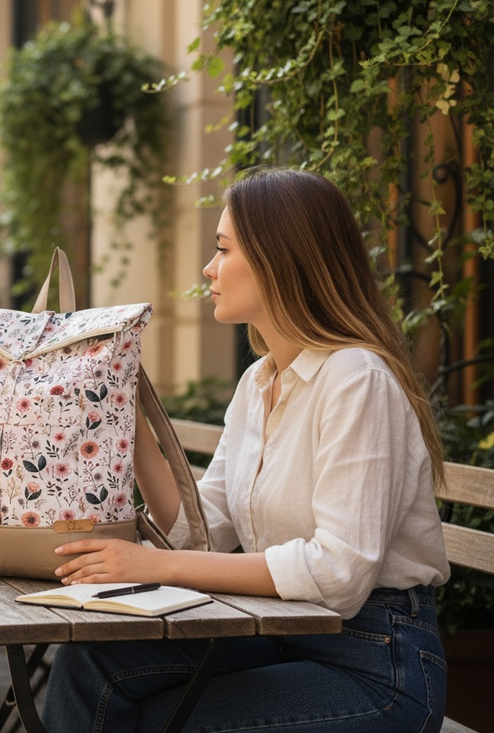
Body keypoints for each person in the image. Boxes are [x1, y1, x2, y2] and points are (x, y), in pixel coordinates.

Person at [43, 169, 450, 732]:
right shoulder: (260, 382)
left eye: (223, 250)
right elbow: (198, 530)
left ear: (282, 260)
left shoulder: (356, 379)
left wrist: (155, 565)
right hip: (276, 633)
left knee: (164, 720)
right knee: (91, 660)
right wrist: (123, 417)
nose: (209, 269)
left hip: (376, 663)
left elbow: (339, 573)